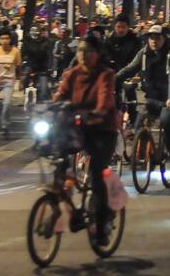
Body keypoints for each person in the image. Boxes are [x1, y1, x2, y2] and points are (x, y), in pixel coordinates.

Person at [53, 35, 118, 247]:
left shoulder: (105, 74)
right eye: (80, 50)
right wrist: (45, 108)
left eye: (88, 51)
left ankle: (101, 226)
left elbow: (105, 100)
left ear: (97, 54)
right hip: (78, 129)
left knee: (96, 176)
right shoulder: (72, 74)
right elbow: (60, 97)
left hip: (102, 130)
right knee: (58, 160)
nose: (82, 55)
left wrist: (97, 113)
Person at [115, 25, 170, 158]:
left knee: (166, 120)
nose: (154, 41)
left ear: (164, 39)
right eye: (151, 38)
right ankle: (143, 154)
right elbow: (130, 68)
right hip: (151, 97)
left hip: (169, 99)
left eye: (157, 38)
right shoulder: (143, 53)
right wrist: (112, 79)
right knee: (139, 122)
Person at [104, 14, 141, 111]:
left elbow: (138, 58)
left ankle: (133, 119)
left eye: (124, 27)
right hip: (113, 72)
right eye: (118, 27)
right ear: (114, 27)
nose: (121, 30)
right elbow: (105, 56)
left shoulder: (135, 40)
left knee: (130, 93)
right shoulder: (108, 41)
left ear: (128, 27)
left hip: (129, 73)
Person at [21, 25, 53, 101]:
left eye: (36, 31)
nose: (35, 33)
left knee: (43, 89)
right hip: (30, 64)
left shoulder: (46, 41)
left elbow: (49, 55)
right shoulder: (27, 41)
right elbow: (22, 53)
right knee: (25, 78)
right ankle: (26, 93)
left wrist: (50, 67)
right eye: (33, 31)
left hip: (43, 66)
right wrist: (22, 61)